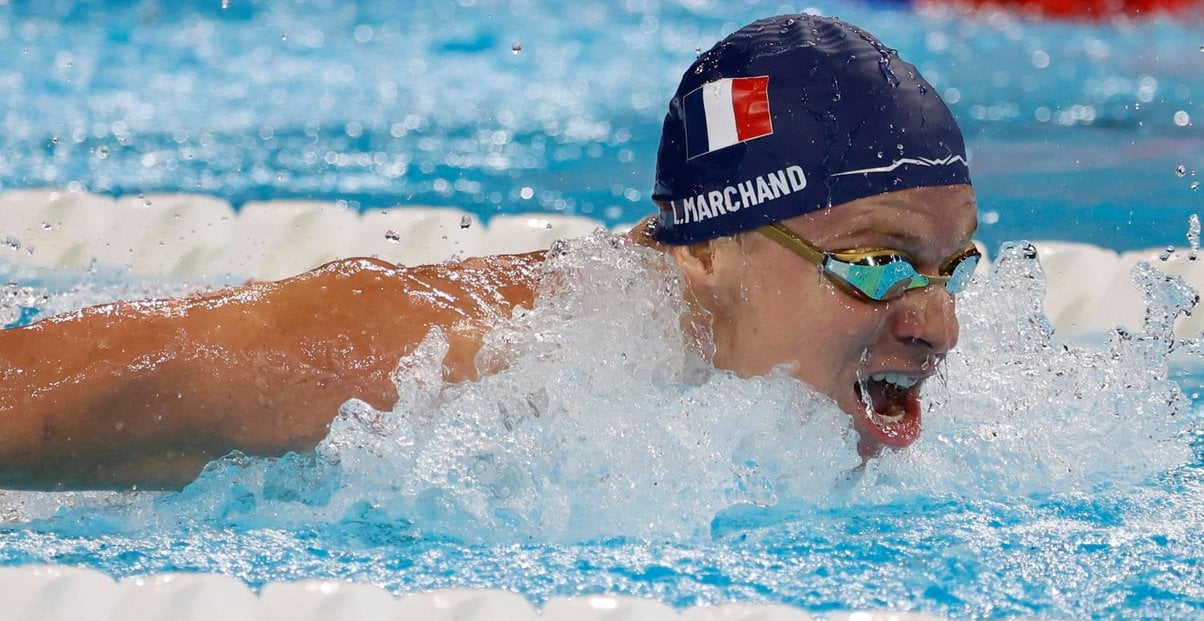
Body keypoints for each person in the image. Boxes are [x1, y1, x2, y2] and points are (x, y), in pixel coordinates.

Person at [0, 14, 978, 491]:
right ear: (706, 249)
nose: (936, 323)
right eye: (877, 263)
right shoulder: (443, 360)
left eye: (948, 266)